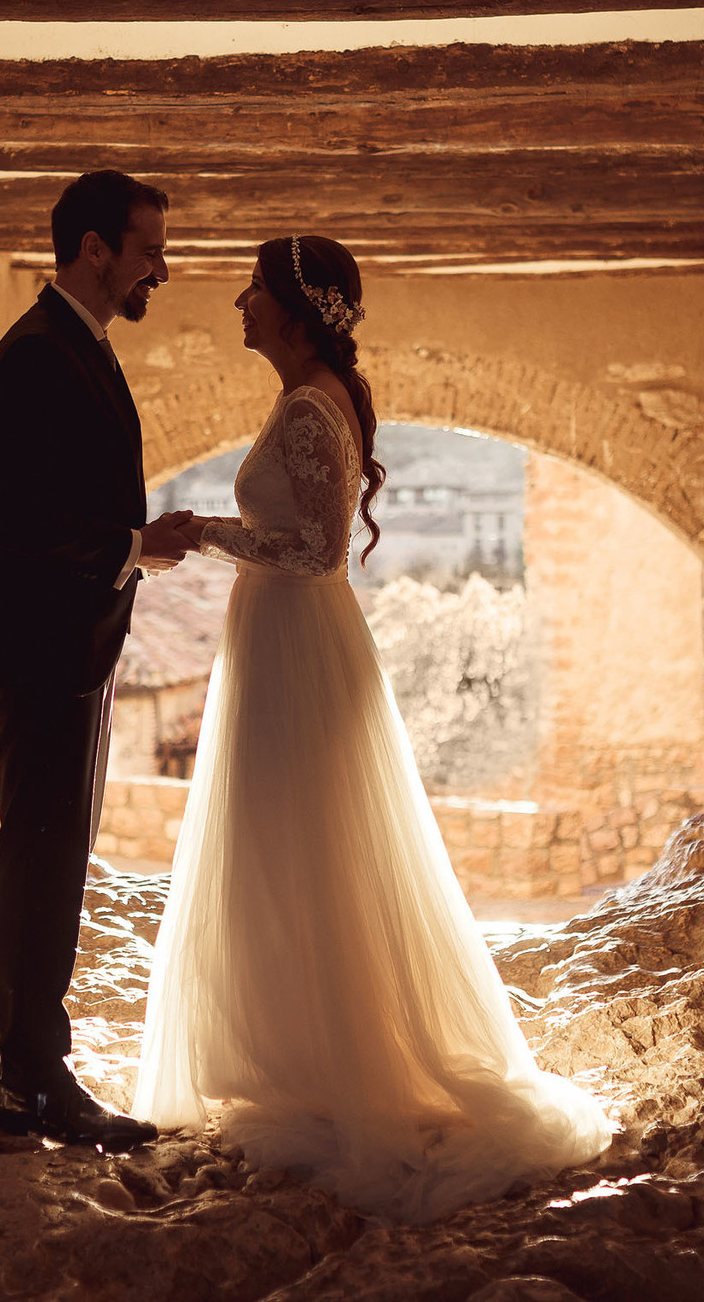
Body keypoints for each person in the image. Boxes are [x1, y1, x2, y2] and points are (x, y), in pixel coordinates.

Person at [132, 235, 610, 1220]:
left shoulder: (311, 406)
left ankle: (323, 1062)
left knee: (297, 842)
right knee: (290, 847)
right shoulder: (310, 397)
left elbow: (311, 551)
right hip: (287, 638)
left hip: (296, 635)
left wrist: (198, 532)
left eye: (255, 290)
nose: (238, 302)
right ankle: (295, 1049)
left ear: (299, 312)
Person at [0, 169, 192, 1150]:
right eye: (148, 247)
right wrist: (134, 545)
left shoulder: (76, 346)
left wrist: (132, 549)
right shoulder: (39, 355)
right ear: (93, 249)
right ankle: (33, 1080)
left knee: (35, 846)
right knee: (46, 854)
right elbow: (14, 519)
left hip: (67, 636)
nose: (160, 266)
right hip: (43, 637)